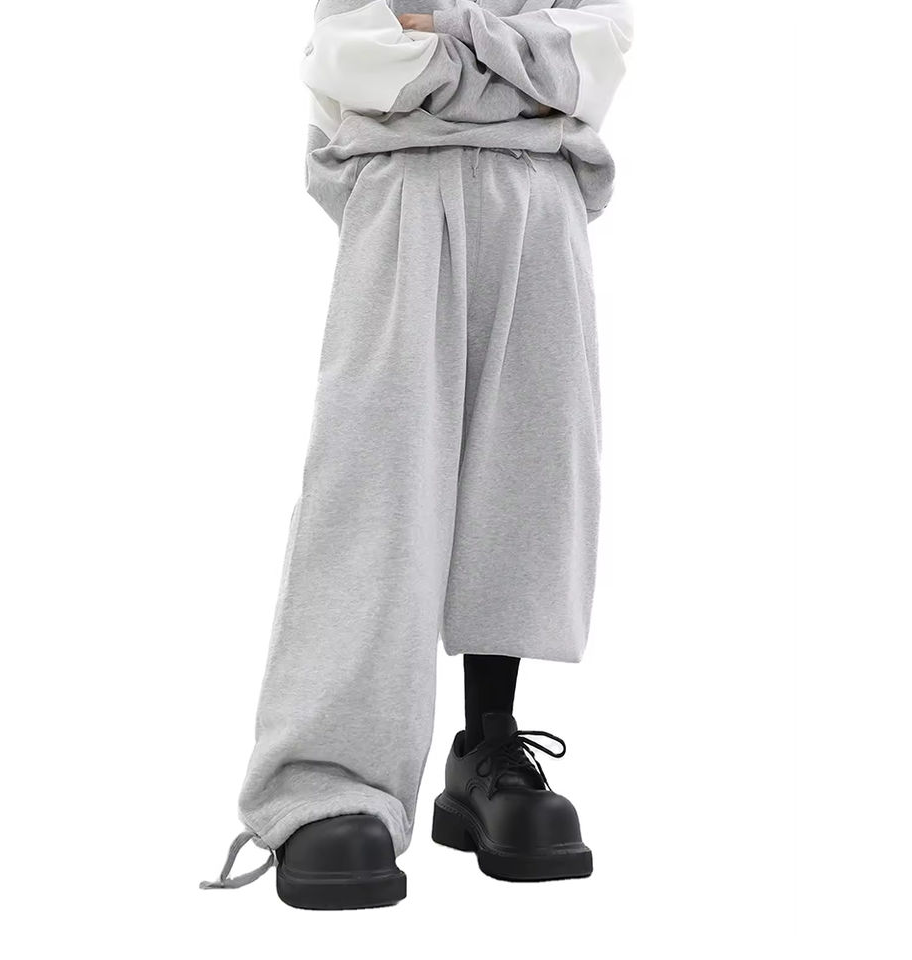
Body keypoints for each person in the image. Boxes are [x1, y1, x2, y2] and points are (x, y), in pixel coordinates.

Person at [201, 0, 632, 909]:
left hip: (543, 200)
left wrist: (439, 32)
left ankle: (487, 747)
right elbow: (352, 60)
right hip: (402, 191)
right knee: (375, 488)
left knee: (528, 485)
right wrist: (515, 57)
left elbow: (589, 64)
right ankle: (329, 779)